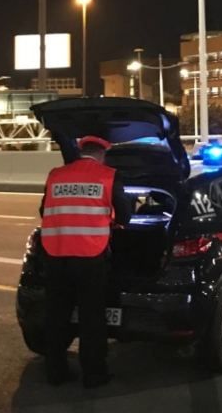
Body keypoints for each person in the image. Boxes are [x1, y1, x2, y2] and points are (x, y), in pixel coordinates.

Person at [39, 135, 131, 388]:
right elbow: (125, 215)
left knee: (56, 315)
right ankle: (94, 374)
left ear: (81, 151)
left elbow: (42, 210)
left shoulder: (56, 175)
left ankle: (55, 372)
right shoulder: (108, 176)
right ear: (102, 154)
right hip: (90, 257)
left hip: (55, 254)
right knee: (92, 318)